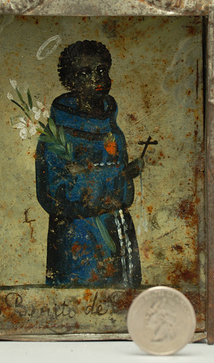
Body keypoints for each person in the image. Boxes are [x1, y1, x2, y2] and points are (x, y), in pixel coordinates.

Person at [36, 40, 143, 287]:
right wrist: (114, 178)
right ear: (70, 81)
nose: (97, 78)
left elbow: (123, 191)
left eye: (102, 70)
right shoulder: (57, 134)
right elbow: (53, 193)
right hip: (79, 239)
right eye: (85, 73)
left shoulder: (111, 127)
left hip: (116, 230)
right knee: (80, 296)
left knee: (121, 295)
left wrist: (125, 175)